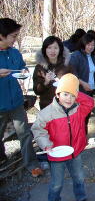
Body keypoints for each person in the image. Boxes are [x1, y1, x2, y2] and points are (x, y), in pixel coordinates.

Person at [31, 73, 95, 201]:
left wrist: (75, 91)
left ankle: (81, 198)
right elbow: (38, 130)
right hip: (56, 154)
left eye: (72, 96)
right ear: (57, 94)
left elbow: (90, 102)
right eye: (65, 94)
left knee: (79, 178)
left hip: (75, 152)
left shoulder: (78, 110)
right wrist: (45, 144)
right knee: (57, 183)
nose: (69, 99)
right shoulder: (46, 113)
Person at [0, 18, 43, 177]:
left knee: (24, 133)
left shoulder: (14, 52)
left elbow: (21, 67)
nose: (15, 39)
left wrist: (24, 71)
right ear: (1, 36)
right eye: (13, 36)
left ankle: (31, 164)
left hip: (16, 102)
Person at [69, 33, 95, 133]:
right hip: (79, 91)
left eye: (93, 45)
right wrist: (83, 83)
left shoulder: (94, 57)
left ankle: (83, 136)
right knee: (78, 116)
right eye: (88, 44)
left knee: (87, 114)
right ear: (83, 44)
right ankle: (78, 137)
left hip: (90, 90)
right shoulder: (76, 56)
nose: (91, 47)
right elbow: (72, 73)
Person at [33, 36, 72, 110]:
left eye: (55, 48)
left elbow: (74, 82)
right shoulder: (40, 67)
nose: (52, 51)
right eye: (49, 48)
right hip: (47, 106)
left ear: (60, 49)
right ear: (45, 49)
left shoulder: (67, 65)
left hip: (64, 105)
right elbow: (36, 91)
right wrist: (45, 82)